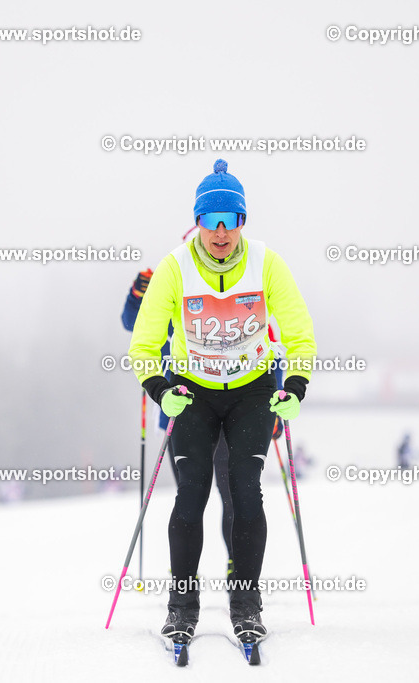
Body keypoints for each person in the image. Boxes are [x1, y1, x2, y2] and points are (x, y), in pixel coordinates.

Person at [129, 159, 317, 644]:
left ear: (241, 223)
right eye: (210, 221)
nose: (219, 233)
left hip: (253, 390)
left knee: (245, 488)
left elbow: (299, 334)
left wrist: (294, 387)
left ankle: (246, 603)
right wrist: (160, 390)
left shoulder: (267, 264)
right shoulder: (173, 268)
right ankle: (181, 607)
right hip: (193, 391)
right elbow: (143, 344)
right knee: (191, 492)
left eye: (229, 221)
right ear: (197, 222)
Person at [122, 262, 237, 582]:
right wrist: (138, 293)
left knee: (233, 497)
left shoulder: (221, 295)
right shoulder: (171, 289)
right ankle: (185, 575)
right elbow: (132, 322)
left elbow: (269, 346)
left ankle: (237, 567)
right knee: (189, 497)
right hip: (180, 416)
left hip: (227, 411)